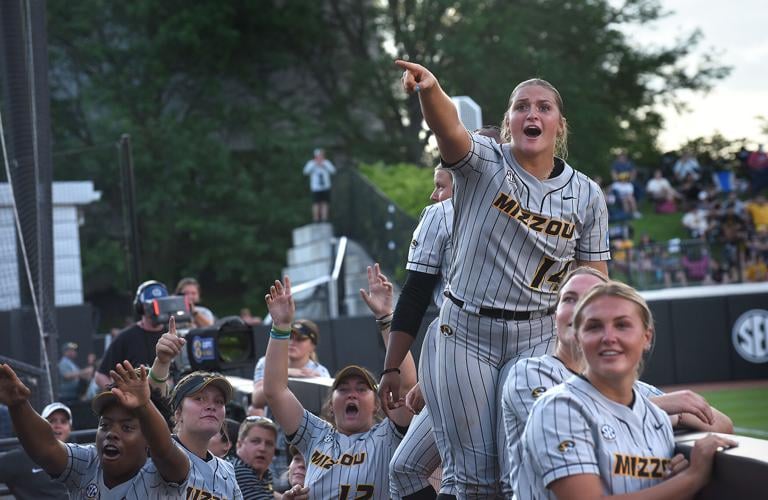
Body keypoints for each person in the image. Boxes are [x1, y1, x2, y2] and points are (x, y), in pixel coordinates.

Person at [390, 59, 610, 497]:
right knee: (474, 477)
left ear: (559, 126)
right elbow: (449, 130)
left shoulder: (586, 194)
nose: (532, 114)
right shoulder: (484, 162)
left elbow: (595, 284)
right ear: (508, 122)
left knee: (524, 468)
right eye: (521, 106)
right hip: (466, 333)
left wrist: (586, 349)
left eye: (544, 107)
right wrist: (430, 91)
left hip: (537, 334)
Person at [502, 268, 733, 492]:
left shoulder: (636, 391)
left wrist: (670, 417)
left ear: (646, 337)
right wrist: (689, 478)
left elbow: (721, 424)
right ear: (556, 316)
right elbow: (570, 420)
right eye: (570, 299)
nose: (579, 309)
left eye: (620, 324)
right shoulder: (531, 372)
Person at [263, 268, 417, 499]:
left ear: (377, 404)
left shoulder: (388, 435)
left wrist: (386, 317)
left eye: (361, 389)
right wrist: (281, 326)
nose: (351, 394)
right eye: (342, 389)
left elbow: (406, 386)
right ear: (331, 404)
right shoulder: (315, 435)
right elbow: (275, 391)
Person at [0, 361, 189, 498]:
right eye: (104, 425)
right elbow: (46, 448)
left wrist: (144, 406)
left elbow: (165, 450)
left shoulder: (166, 471)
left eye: (127, 427)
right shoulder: (88, 463)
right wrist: (18, 404)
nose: (111, 434)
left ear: (149, 437)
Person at [95, 280, 170, 389]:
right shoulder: (125, 337)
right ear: (140, 307)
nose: (156, 309)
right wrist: (121, 397)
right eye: (151, 304)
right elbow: (100, 376)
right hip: (138, 403)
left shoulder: (174, 334)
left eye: (160, 304)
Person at [252, 319, 330, 413]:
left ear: (312, 346)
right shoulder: (267, 362)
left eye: (300, 339)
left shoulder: (320, 372)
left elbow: (327, 409)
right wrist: (286, 373)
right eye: (290, 337)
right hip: (275, 425)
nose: (292, 342)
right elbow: (257, 400)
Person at [0, 402, 72, 499]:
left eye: (63, 421)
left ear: (70, 429)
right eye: (52, 421)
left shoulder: (80, 457)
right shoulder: (18, 459)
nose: (58, 425)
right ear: (41, 426)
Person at [229, 415, 281, 499]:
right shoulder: (238, 470)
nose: (262, 448)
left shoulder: (266, 473)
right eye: (255, 441)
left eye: (269, 444)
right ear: (239, 445)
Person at [303, 148, 336, 222]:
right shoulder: (311, 163)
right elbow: (305, 172)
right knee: (316, 203)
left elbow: (333, 171)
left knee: (325, 203)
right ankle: (316, 219)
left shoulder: (326, 162)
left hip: (326, 187)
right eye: (319, 155)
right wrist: (315, 164)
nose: (320, 157)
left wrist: (324, 165)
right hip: (316, 188)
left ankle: (324, 218)